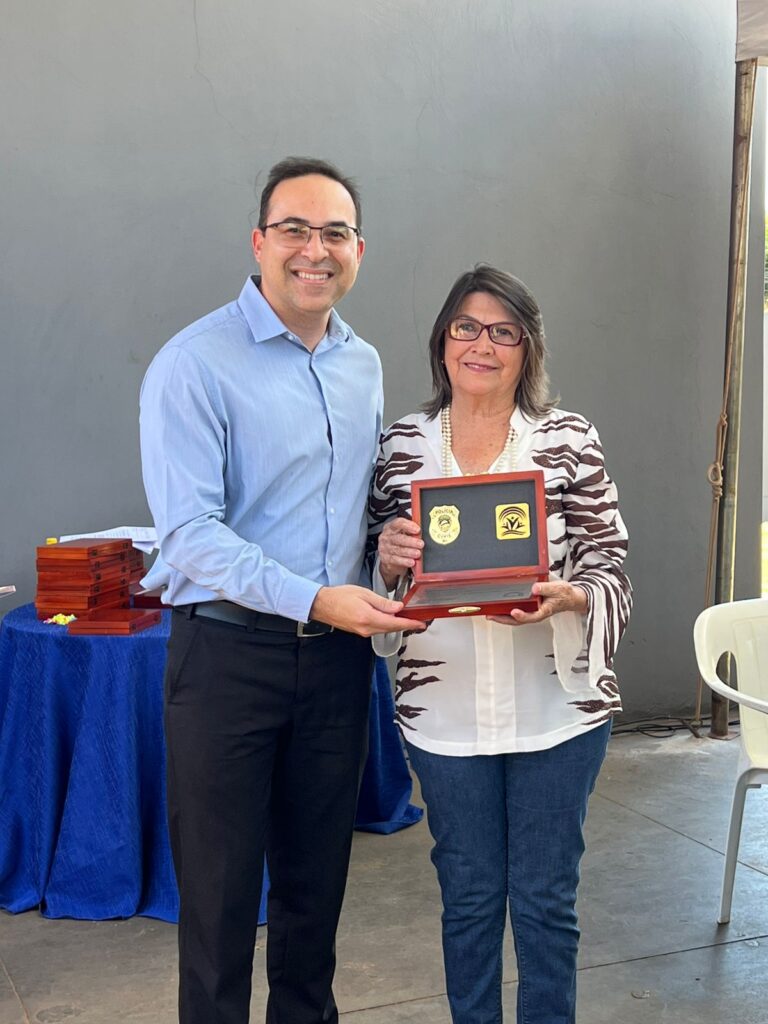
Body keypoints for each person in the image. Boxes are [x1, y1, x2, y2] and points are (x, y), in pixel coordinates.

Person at [140, 156, 423, 1024]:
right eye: (295, 229)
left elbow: (349, 513)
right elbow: (191, 535)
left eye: (335, 233)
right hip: (227, 661)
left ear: (358, 250)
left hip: (336, 665)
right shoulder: (194, 364)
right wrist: (316, 598)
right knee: (220, 904)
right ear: (259, 242)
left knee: (314, 897)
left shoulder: (361, 364)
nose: (315, 250)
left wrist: (386, 554)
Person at [369, 264, 631, 1024]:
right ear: (442, 340)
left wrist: (571, 597)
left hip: (558, 713)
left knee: (546, 901)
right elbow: (373, 569)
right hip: (444, 717)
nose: (482, 345)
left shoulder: (568, 439)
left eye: (503, 332)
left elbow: (610, 562)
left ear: (527, 348)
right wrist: (388, 558)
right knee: (469, 897)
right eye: (466, 327)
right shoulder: (402, 445)